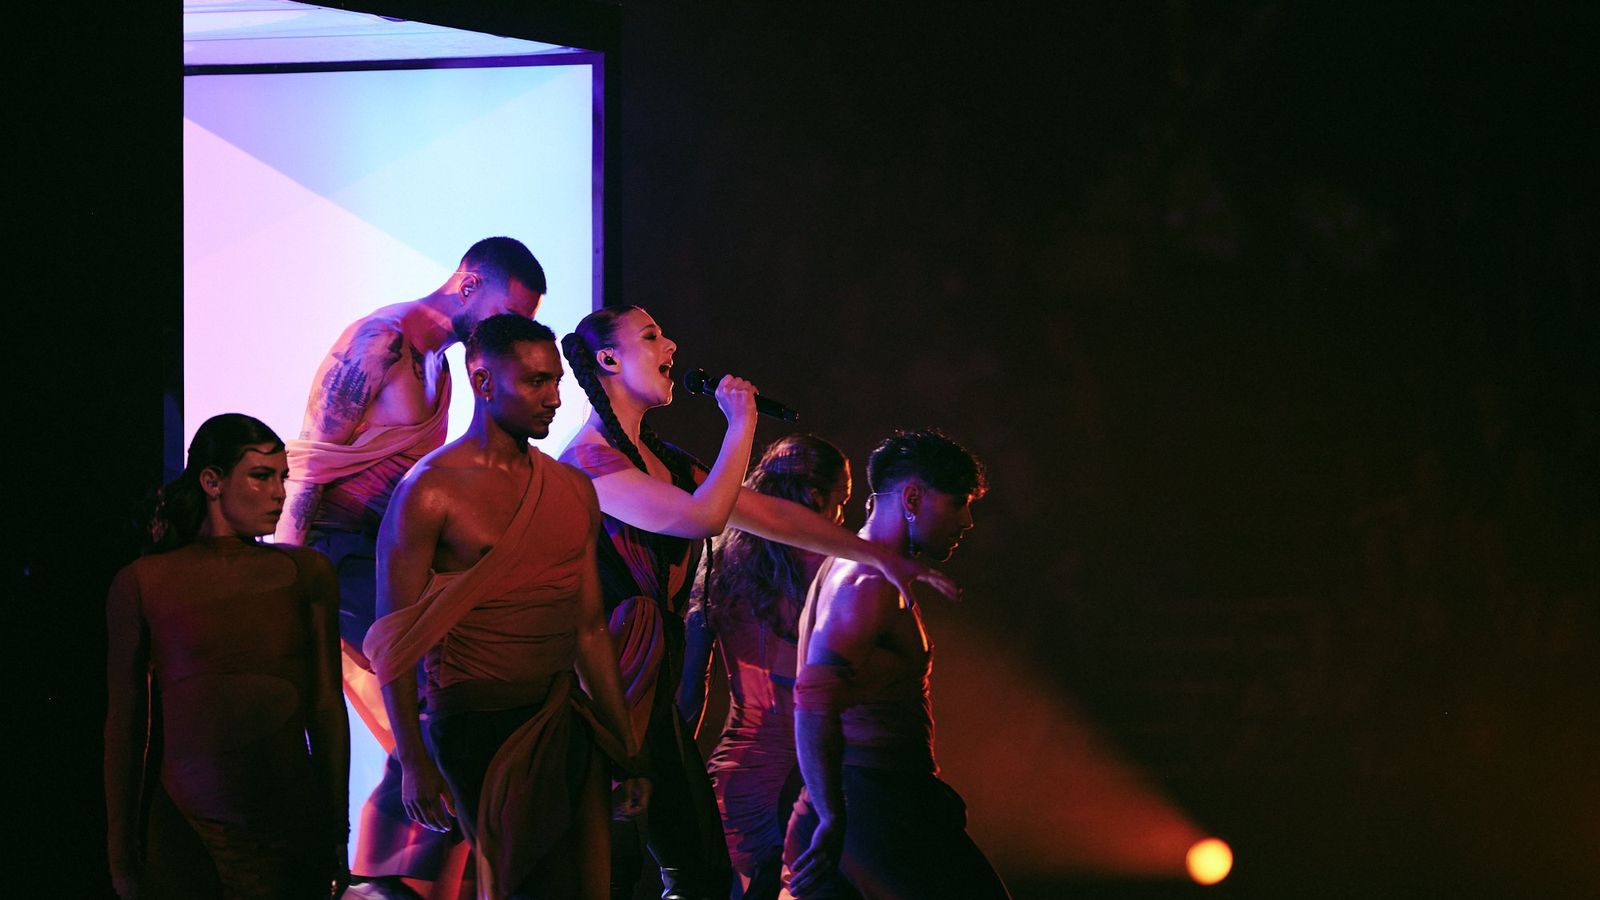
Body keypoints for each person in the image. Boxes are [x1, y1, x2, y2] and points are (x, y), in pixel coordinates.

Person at [556, 307, 958, 900]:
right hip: (604, 694)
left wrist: (876, 554)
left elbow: (768, 515)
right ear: (608, 361)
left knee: (700, 875)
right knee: (606, 872)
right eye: (651, 337)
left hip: (653, 700)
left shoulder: (662, 460)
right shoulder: (590, 463)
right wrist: (740, 422)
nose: (670, 344)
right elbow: (702, 519)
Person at [275, 237, 545, 896]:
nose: (508, 334)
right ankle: (374, 880)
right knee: (432, 729)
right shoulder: (379, 342)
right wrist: (283, 587)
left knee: (453, 727)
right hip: (335, 563)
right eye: (505, 312)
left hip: (387, 562)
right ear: (467, 281)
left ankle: (403, 880)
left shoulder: (441, 368)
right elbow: (312, 466)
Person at [362, 315, 649, 899]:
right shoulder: (430, 490)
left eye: (557, 381)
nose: (554, 397)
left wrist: (627, 748)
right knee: (527, 886)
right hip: (474, 726)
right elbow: (392, 642)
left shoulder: (571, 490)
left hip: (560, 718)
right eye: (536, 383)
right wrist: (414, 762)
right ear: (484, 382)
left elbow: (590, 629)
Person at [104, 413, 349, 899]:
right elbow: (125, 723)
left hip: (291, 829)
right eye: (261, 476)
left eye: (284, 477)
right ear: (212, 481)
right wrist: (120, 852)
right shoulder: (141, 582)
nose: (279, 492)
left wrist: (335, 834)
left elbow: (325, 706)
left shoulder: (308, 572)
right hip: (186, 833)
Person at [784, 429, 1008, 900]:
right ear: (911, 497)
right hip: (870, 804)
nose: (966, 521)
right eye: (958, 503)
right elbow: (813, 700)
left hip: (876, 801)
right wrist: (831, 815)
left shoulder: (865, 569)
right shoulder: (866, 582)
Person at [679, 435, 853, 900]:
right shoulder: (835, 570)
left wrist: (672, 779)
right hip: (805, 773)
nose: (843, 517)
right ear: (816, 497)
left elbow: (689, 695)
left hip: (735, 775)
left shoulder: (720, 563)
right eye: (842, 501)